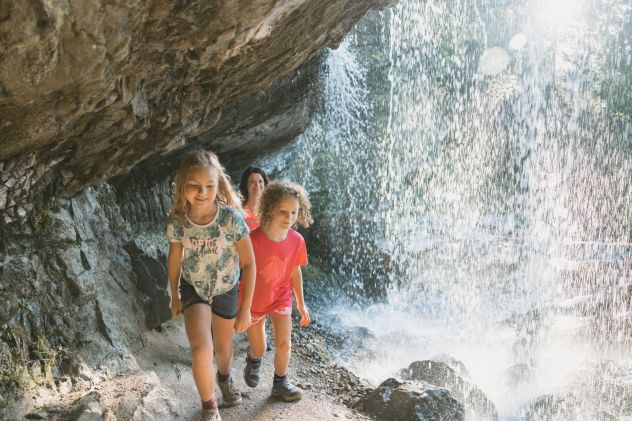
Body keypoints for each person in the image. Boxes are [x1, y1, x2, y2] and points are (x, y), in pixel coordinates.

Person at [166, 150, 255, 421]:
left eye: (209, 185)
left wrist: (246, 309)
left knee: (223, 350)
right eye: (194, 185)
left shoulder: (230, 220)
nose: (202, 192)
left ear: (219, 186)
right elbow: (174, 260)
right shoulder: (178, 222)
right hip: (194, 289)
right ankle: (209, 406)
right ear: (183, 186)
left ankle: (225, 378)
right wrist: (174, 296)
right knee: (201, 349)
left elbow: (249, 264)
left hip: (226, 289)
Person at [241, 180, 313, 402]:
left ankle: (280, 383)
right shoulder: (252, 239)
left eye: (294, 212)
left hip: (281, 297)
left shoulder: (297, 240)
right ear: (270, 208)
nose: (289, 217)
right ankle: (254, 359)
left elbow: (295, 272)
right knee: (260, 346)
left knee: (284, 343)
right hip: (254, 298)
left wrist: (300, 303)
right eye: (283, 211)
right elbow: (240, 272)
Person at [239, 166, 269, 231]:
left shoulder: (271, 209)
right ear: (246, 185)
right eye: (252, 182)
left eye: (260, 181)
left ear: (265, 184)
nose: (257, 185)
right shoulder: (239, 211)